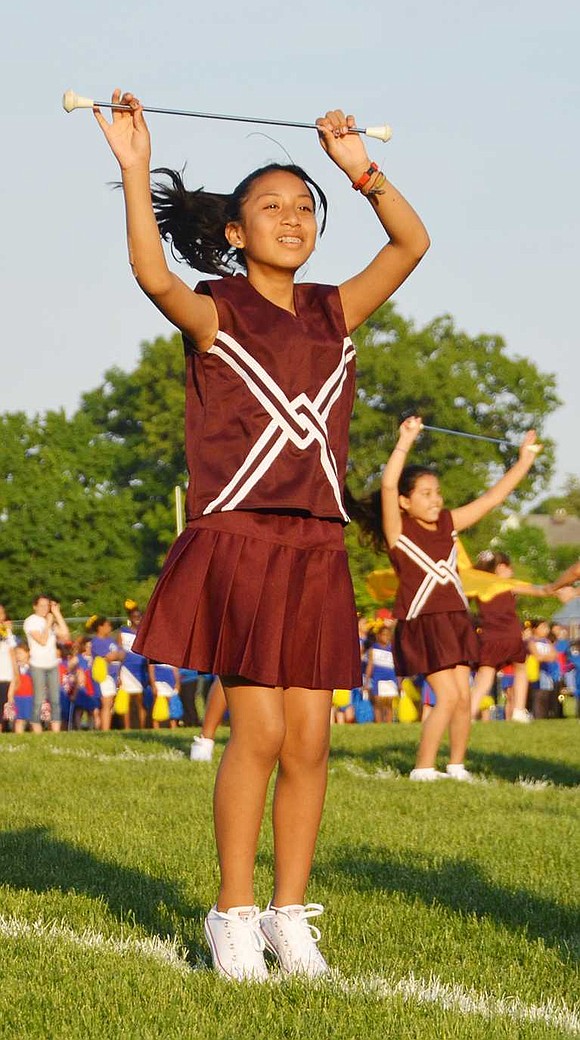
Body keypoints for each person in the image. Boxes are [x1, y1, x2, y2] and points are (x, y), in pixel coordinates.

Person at [94, 89, 429, 981]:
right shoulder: (215, 310)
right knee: (261, 731)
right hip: (241, 539)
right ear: (236, 232)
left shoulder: (334, 310)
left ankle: (290, 914)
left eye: (305, 206)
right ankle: (232, 913)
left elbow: (411, 244)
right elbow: (153, 277)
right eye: (272, 206)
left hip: (318, 544)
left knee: (314, 739)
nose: (293, 217)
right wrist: (134, 170)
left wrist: (358, 168)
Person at [350, 416, 541, 781]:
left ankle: (456, 765)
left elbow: (491, 499)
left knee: (464, 696)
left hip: (455, 619)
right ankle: (423, 767)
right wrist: (405, 441)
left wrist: (524, 461)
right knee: (449, 697)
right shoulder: (398, 531)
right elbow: (389, 484)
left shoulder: (448, 523)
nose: (435, 500)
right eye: (425, 493)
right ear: (406, 502)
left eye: (437, 492)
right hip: (424, 621)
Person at [469, 551, 548, 723]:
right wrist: (557, 590)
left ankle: (470, 712)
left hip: (488, 636)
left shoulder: (478, 585)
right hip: (510, 633)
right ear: (500, 568)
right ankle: (518, 710)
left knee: (485, 675)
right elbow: (539, 590)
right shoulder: (508, 584)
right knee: (520, 668)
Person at [23, 596, 70, 733]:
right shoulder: (31, 621)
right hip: (37, 664)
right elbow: (42, 641)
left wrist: (57, 614)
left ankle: (55, 730)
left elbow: (66, 635)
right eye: (42, 605)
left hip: (52, 663)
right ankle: (36, 727)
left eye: (47, 606)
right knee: (38, 698)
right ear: (35, 606)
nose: (45, 609)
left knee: (55, 699)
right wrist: (48, 623)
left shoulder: (50, 620)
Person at [87, 616, 124, 731]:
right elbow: (109, 656)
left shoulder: (111, 640)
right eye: (107, 625)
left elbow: (121, 654)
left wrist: (117, 655)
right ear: (100, 627)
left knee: (110, 702)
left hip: (114, 675)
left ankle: (106, 727)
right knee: (106, 702)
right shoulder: (97, 642)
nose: (110, 627)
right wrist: (116, 655)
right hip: (105, 676)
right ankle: (105, 729)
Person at [117, 602, 148, 729]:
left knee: (140, 700)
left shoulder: (144, 633)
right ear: (130, 618)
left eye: (139, 616)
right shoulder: (122, 632)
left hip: (140, 670)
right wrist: (118, 673)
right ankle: (127, 727)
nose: (137, 619)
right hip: (126, 669)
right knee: (127, 699)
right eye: (134, 616)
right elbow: (119, 652)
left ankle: (142, 726)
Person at [363, 620, 398, 723]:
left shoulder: (393, 649)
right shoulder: (373, 649)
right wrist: (367, 681)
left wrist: (399, 681)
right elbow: (370, 665)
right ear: (378, 636)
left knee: (388, 705)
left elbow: (396, 666)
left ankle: (389, 724)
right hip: (378, 680)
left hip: (391, 679)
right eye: (384, 635)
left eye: (388, 635)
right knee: (378, 704)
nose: (386, 637)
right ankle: (378, 723)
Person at [0, 604, 19, 731]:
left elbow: (13, 651)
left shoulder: (7, 633)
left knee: (5, 710)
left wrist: (16, 673)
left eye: (2, 613)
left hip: (6, 675)